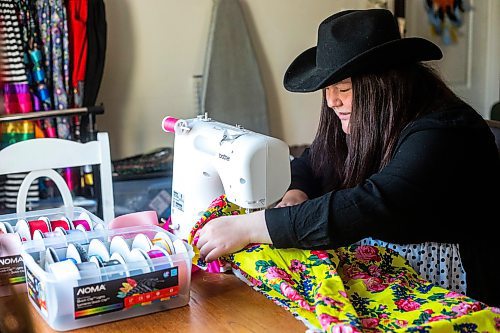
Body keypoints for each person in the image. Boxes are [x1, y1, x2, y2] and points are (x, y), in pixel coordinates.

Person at [195, 9, 500, 306]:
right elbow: (312, 161)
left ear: (385, 86)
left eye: (343, 88)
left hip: (449, 283)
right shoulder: (373, 119)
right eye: (328, 89)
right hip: (387, 262)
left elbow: (368, 204)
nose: (331, 101)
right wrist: (295, 193)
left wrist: (250, 226)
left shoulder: (444, 133)